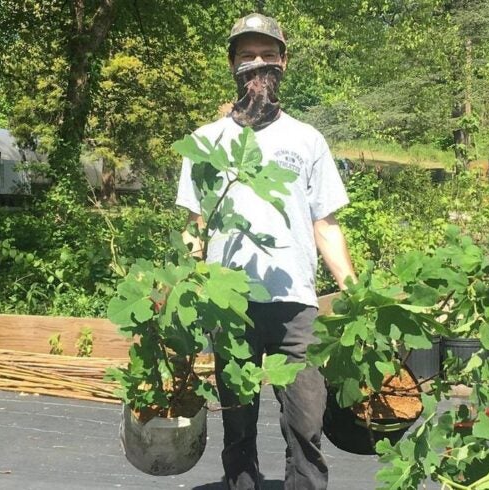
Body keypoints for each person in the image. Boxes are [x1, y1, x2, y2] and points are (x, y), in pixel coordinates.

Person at [175, 12, 356, 490]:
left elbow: (325, 223)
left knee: (306, 425)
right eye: (247, 55)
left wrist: (355, 289)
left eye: (268, 54)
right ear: (233, 64)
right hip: (228, 306)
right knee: (237, 428)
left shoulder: (307, 138)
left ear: (284, 62)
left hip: (297, 305)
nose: (258, 63)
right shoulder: (205, 143)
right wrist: (181, 291)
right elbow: (196, 227)